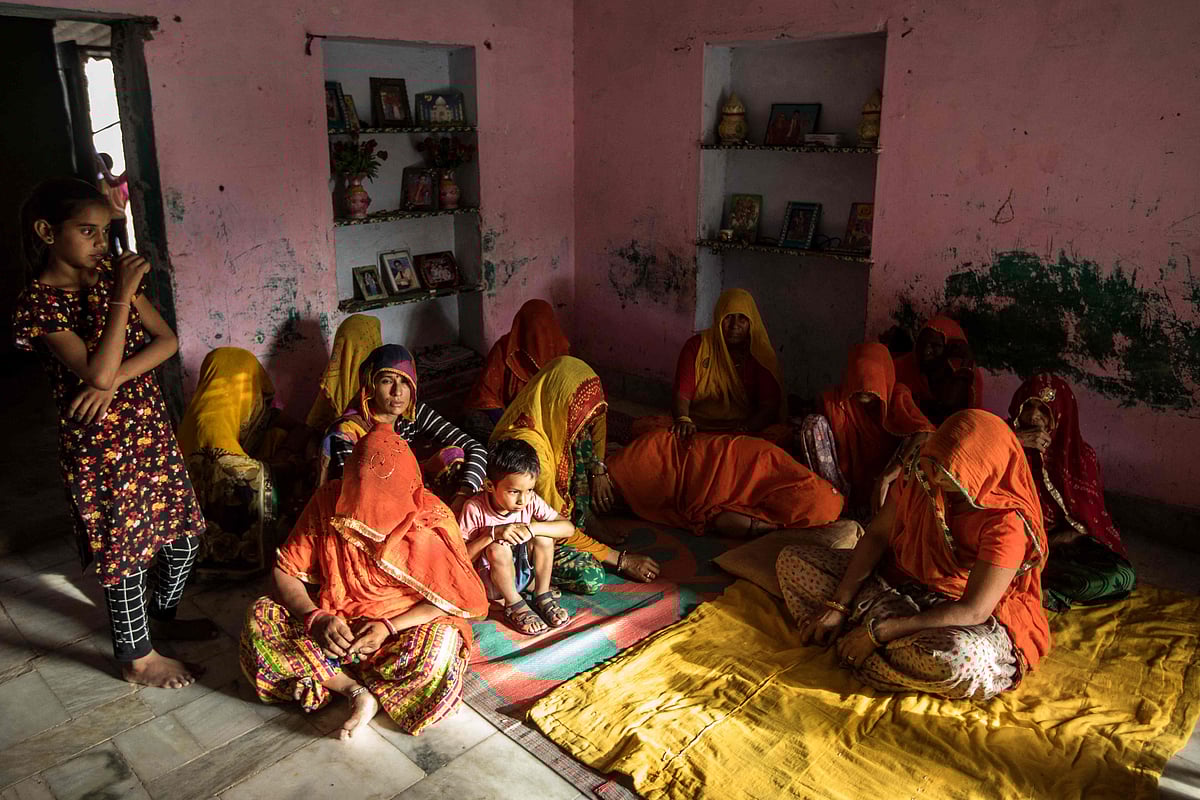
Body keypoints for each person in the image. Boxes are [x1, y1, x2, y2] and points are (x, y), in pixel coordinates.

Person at [12, 177, 214, 689]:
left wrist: (114, 380)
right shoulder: (40, 303)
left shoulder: (106, 276)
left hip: (148, 430)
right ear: (46, 232)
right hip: (99, 446)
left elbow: (166, 340)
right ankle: (137, 657)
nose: (102, 244)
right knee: (124, 551)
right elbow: (93, 371)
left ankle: (159, 619)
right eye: (87, 231)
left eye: (106, 231)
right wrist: (122, 300)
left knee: (183, 537)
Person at [777, 410, 1050, 701]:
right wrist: (838, 605)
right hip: (896, 585)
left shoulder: (1006, 522)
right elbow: (879, 535)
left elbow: (973, 610)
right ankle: (865, 639)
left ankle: (862, 645)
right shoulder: (922, 472)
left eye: (947, 475)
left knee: (960, 659)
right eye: (934, 466)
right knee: (792, 561)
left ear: (984, 472)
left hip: (954, 612)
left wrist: (878, 634)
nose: (933, 478)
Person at [240, 430, 488, 740]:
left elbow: (451, 599)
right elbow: (286, 570)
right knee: (261, 617)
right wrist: (315, 617)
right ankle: (355, 690)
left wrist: (388, 626)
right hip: (335, 624)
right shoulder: (328, 502)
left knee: (437, 655)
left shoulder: (432, 520)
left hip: (402, 628)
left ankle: (323, 673)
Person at [491, 356, 660, 583]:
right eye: (583, 420)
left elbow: (599, 419)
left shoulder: (553, 414)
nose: (586, 428)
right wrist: (622, 560)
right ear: (561, 402)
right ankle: (529, 574)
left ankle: (584, 517)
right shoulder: (534, 453)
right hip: (527, 534)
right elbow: (558, 526)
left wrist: (599, 470)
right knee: (591, 576)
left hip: (554, 520)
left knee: (581, 441)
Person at [177, 348, 312, 578]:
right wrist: (286, 465)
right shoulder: (207, 424)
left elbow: (301, 428)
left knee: (276, 436)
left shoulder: (241, 409)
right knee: (253, 481)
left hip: (242, 461)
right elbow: (236, 471)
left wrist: (286, 449)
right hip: (208, 534)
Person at [1008, 374, 1135, 611]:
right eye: (1028, 407)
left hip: (1058, 545)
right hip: (1011, 543)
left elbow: (1088, 521)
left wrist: (1052, 542)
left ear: (1060, 415)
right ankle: (1018, 584)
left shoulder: (1081, 457)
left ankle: (1038, 589)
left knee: (1122, 576)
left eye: (1044, 411)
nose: (1034, 417)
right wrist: (1014, 442)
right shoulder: (1003, 440)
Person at [319, 344, 486, 516]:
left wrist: (464, 494)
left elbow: (476, 448)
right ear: (370, 385)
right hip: (369, 508)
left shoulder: (412, 413)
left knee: (453, 457)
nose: (397, 392)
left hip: (404, 489)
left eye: (405, 381)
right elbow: (356, 494)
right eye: (387, 381)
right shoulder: (347, 432)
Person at [458, 440, 598, 634]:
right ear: (490, 485)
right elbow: (459, 559)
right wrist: (492, 533)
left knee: (543, 536)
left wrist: (533, 528)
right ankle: (515, 604)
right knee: (498, 547)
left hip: (523, 573)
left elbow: (568, 528)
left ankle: (541, 594)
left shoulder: (530, 501)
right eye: (514, 491)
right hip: (492, 584)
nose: (523, 500)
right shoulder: (474, 508)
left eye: (529, 490)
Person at [608, 429, 844, 537]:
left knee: (621, 488)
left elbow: (724, 521)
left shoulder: (781, 470)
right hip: (681, 455)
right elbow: (722, 453)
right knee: (619, 476)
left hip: (677, 471)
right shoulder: (769, 459)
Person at [797, 343, 936, 517]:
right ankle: (838, 505)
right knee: (813, 425)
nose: (865, 386)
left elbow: (926, 433)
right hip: (844, 485)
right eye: (859, 377)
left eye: (872, 379)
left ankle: (884, 514)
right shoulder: (836, 400)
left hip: (886, 485)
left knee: (916, 442)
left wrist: (887, 476)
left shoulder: (897, 396)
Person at [635, 288, 788, 445]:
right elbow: (682, 394)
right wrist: (683, 420)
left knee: (780, 434)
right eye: (728, 317)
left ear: (752, 323)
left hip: (742, 430)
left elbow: (769, 406)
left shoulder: (760, 355)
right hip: (696, 426)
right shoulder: (697, 347)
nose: (734, 325)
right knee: (646, 429)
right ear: (719, 318)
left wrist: (744, 429)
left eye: (742, 319)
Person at [464, 299, 570, 441]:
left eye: (543, 331)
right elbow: (485, 394)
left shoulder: (560, 350)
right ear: (522, 329)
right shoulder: (505, 349)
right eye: (532, 332)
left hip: (544, 419)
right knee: (473, 420)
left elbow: (565, 397)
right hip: (508, 414)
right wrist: (509, 426)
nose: (538, 340)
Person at [891, 315, 985, 424]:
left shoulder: (963, 379)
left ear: (949, 349)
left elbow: (950, 402)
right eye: (922, 344)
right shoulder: (902, 368)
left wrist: (967, 360)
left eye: (935, 345)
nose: (926, 351)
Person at [306, 314, 382, 435]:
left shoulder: (387, 392)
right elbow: (313, 428)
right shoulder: (333, 381)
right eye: (339, 346)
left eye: (349, 348)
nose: (341, 355)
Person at [95, 153, 129, 257]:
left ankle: (117, 268)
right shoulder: (120, 181)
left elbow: (105, 199)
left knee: (112, 247)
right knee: (124, 245)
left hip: (111, 219)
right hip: (122, 216)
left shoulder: (101, 183)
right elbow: (126, 197)